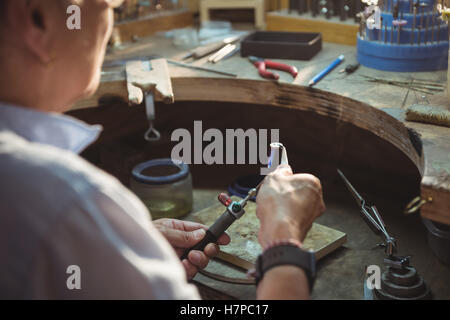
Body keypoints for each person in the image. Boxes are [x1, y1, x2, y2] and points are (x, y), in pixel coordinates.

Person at [0, 0, 325, 299]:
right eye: (110, 3)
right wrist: (284, 239)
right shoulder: (68, 201)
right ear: (36, 19)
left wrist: (120, 251)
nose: (110, 21)